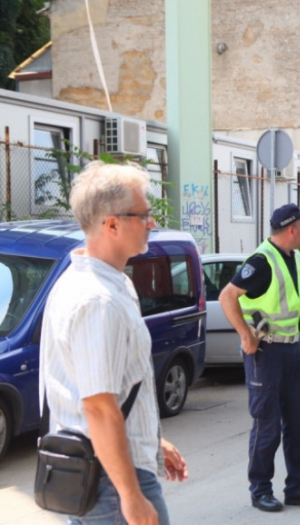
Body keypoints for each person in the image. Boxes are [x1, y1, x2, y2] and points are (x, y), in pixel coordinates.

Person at [39, 161, 188, 525]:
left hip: (113, 468)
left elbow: (119, 389)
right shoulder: (96, 300)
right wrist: (131, 496)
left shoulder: (108, 283)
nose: (152, 223)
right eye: (144, 215)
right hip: (111, 483)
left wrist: (150, 441)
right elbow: (99, 408)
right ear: (112, 224)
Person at [218, 203, 300, 512]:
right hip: (266, 353)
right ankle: (260, 489)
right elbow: (226, 296)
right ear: (290, 230)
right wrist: (245, 335)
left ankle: (298, 487)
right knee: (267, 425)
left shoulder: (294, 256)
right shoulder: (262, 261)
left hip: (293, 350)